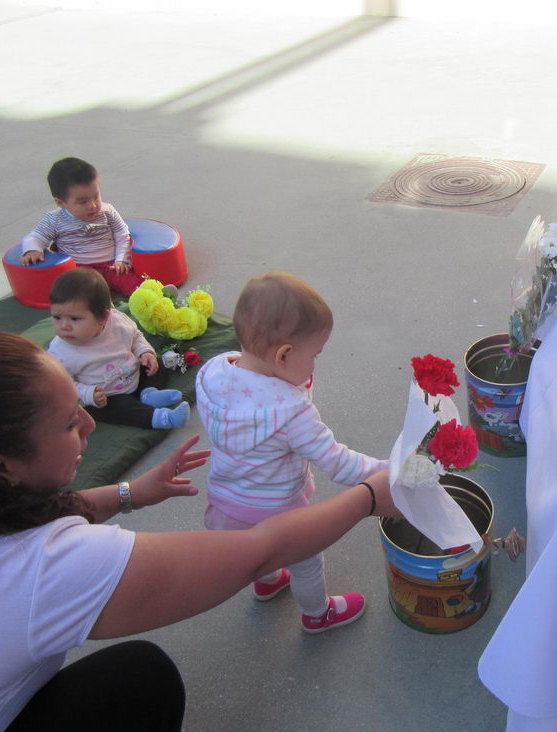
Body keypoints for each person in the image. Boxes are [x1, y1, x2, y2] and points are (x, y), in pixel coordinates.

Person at [0, 329, 396, 732]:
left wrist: (131, 493)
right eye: (67, 425)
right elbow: (255, 554)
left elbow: (28, 514)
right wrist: (368, 498)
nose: (89, 423)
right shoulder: (44, 569)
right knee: (140, 684)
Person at [196, 272, 387, 633]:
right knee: (307, 563)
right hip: (278, 511)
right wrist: (386, 471)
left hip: (226, 502)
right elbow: (339, 463)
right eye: (314, 355)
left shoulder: (214, 374)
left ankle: (266, 580)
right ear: (283, 355)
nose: (315, 364)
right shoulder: (290, 412)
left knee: (258, 552)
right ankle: (318, 614)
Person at [48, 267, 189, 430]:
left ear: (104, 317)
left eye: (74, 319)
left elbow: (135, 336)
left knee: (155, 363)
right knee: (121, 409)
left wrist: (145, 352)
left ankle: (149, 393)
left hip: (132, 373)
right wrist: (88, 394)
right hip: (107, 396)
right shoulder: (60, 352)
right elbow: (62, 385)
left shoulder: (117, 322)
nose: (64, 326)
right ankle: (163, 418)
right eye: (57, 317)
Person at [21, 157, 142, 296]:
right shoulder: (55, 220)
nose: (93, 205)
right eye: (83, 202)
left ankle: (154, 299)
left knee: (133, 284)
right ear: (61, 203)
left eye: (96, 196)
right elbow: (36, 236)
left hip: (112, 266)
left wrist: (121, 259)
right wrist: (32, 250)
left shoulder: (107, 211)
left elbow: (122, 235)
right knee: (83, 295)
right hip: (79, 271)